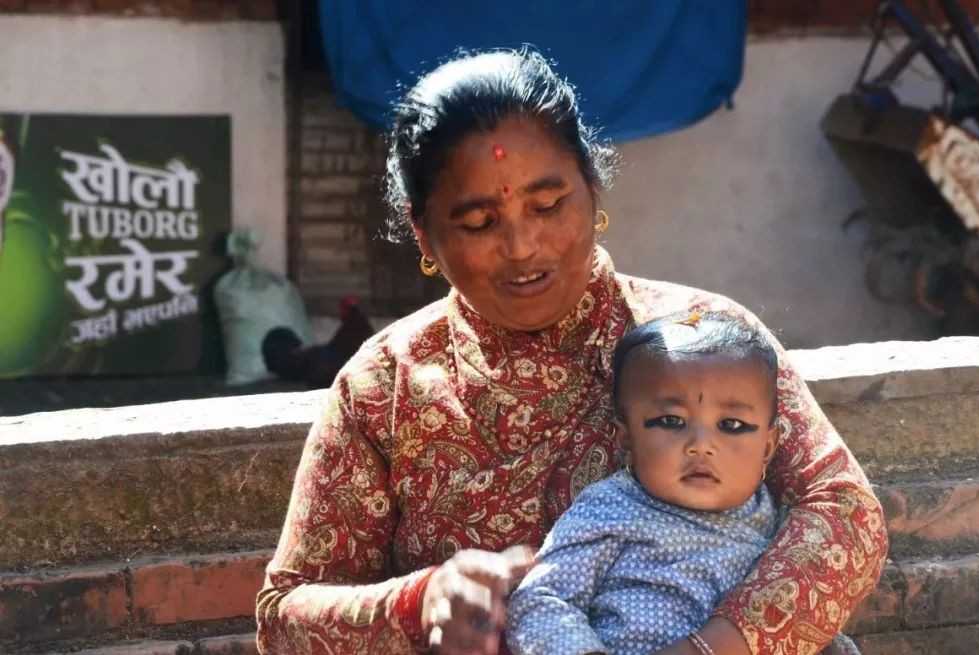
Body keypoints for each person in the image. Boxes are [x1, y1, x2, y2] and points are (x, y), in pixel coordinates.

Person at [256, 48, 887, 655]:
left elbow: (844, 514)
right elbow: (283, 618)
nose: (523, 245)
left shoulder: (703, 340)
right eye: (479, 224)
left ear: (593, 188)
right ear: (424, 232)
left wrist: (712, 647)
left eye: (549, 204)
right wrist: (421, 603)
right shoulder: (383, 386)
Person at [505, 312, 859, 655]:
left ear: (768, 447)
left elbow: (809, 619)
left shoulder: (779, 524)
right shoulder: (611, 507)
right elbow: (541, 599)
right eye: (671, 421)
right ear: (625, 439)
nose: (701, 445)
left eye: (732, 425)